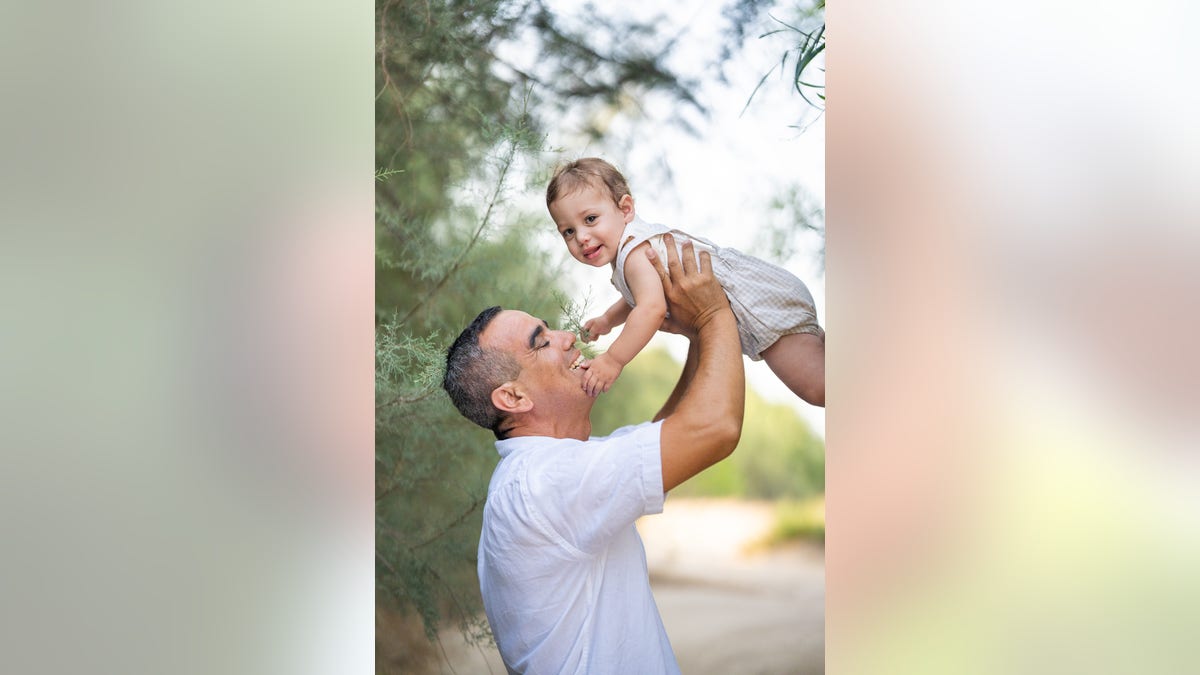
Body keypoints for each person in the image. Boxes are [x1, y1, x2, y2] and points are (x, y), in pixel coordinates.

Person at [442, 236, 745, 674]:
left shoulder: (545, 472)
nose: (567, 338)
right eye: (541, 341)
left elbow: (672, 430)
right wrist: (716, 312)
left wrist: (699, 331)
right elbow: (715, 428)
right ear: (512, 396)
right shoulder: (544, 483)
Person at [546, 157, 825, 406]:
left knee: (818, 388)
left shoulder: (634, 253)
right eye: (568, 231)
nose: (581, 237)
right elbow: (641, 297)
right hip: (763, 293)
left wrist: (613, 359)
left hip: (757, 304)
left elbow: (650, 309)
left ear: (626, 209)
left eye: (591, 219)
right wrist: (608, 319)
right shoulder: (631, 255)